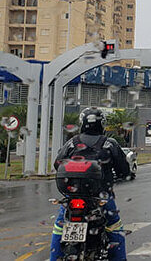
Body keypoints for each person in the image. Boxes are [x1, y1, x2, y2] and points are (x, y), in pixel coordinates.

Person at [50, 107, 131, 261]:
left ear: (82, 123)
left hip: (72, 196)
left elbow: (57, 164)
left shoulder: (72, 143)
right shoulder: (109, 144)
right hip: (101, 196)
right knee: (115, 227)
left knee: (60, 226)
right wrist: (118, 175)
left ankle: (54, 258)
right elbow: (124, 171)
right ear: (102, 124)